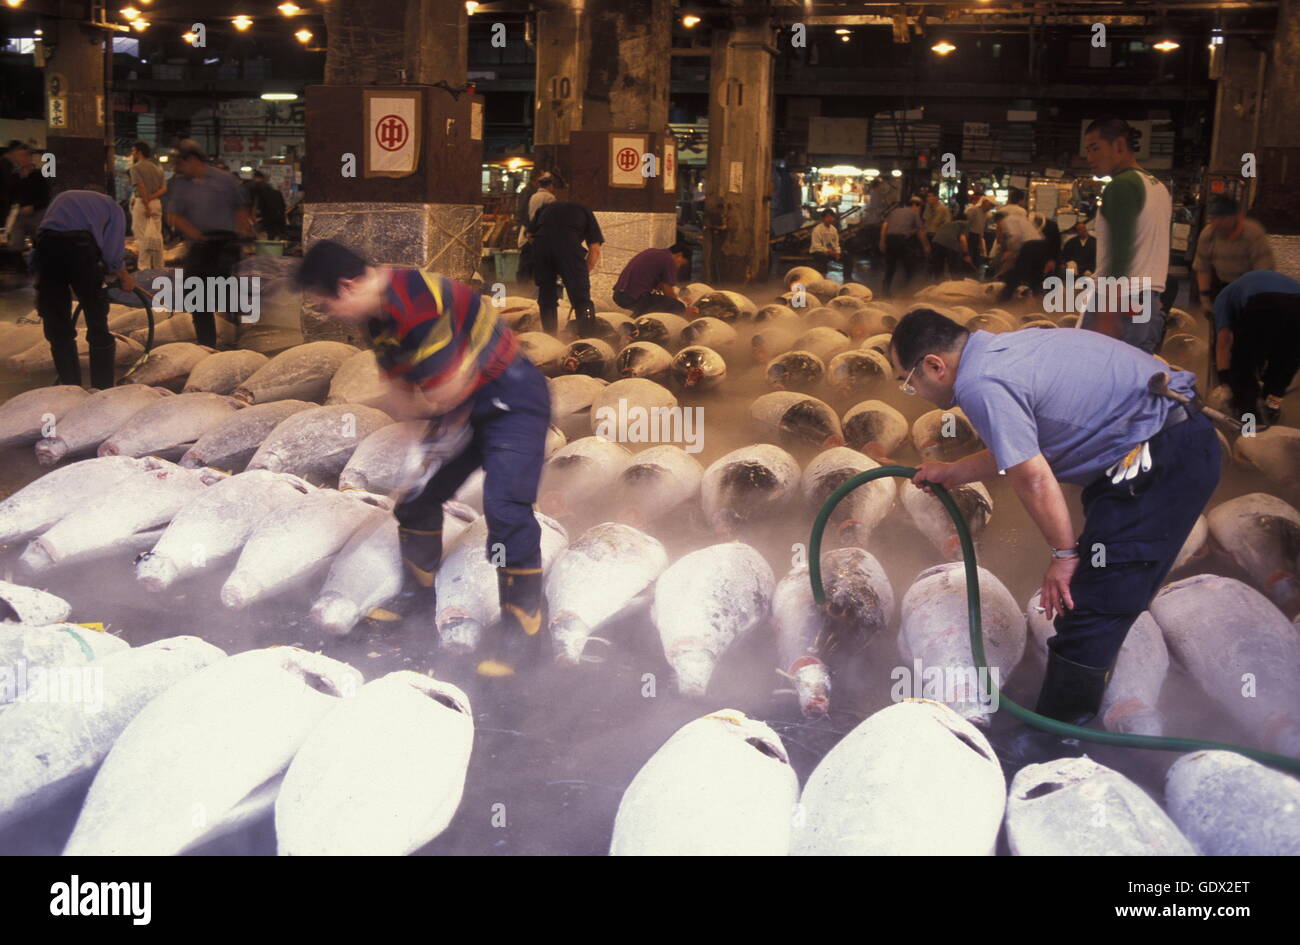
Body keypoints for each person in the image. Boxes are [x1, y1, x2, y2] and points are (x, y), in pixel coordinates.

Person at [889, 308, 1219, 768]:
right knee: (1110, 589)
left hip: (1157, 460)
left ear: (934, 366)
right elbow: (1021, 446)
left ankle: (1054, 741)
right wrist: (953, 471)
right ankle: (1089, 700)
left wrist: (1064, 555)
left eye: (908, 381)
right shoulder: (1002, 351)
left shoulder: (979, 383)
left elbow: (1033, 475)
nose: (914, 393)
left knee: (1092, 601)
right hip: (1165, 445)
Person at [295, 239, 552, 677]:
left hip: (512, 399)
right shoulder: (376, 318)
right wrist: (417, 462)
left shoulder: (414, 304)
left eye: (326, 304)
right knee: (415, 501)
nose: (328, 313)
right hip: (463, 402)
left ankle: (524, 629)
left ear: (347, 285)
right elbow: (402, 390)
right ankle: (418, 598)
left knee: (505, 509)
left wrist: (434, 442)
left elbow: (445, 391)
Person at [1079, 117, 1172, 353]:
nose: (1089, 158)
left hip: (1118, 304)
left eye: (1095, 148)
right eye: (1087, 151)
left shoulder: (1121, 185)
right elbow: (1158, 247)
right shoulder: (1159, 188)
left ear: (1119, 146)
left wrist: (1107, 312)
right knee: (1135, 383)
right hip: (1147, 302)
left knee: (1093, 378)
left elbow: (1121, 250)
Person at [31, 188, 136, 389]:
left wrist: (39, 285)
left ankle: (69, 386)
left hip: (47, 250)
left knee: (56, 322)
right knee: (96, 317)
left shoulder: (62, 197)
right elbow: (113, 250)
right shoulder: (114, 208)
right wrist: (123, 276)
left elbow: (40, 239)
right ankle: (102, 388)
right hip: (81, 251)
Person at [165, 140, 253, 346]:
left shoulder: (223, 180)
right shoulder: (180, 184)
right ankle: (207, 344)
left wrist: (242, 233)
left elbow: (240, 208)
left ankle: (237, 340)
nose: (178, 168)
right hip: (201, 244)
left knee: (229, 295)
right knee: (196, 295)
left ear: (192, 159)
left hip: (226, 244)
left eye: (180, 163)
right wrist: (195, 234)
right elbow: (173, 216)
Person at [1211, 269, 1300, 427]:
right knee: (1284, 365)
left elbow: (1223, 341)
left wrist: (1225, 381)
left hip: (1263, 304)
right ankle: (1272, 408)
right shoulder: (1250, 283)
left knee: (1242, 370)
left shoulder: (1222, 297)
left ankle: (1250, 430)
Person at [527, 189, 603, 337]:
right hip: (569, 249)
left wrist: (545, 253)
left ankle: (549, 336)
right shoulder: (584, 210)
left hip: (541, 248)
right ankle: (587, 338)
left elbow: (530, 235)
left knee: (546, 297)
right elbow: (595, 249)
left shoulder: (545, 208)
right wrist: (583, 273)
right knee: (582, 300)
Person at [1193, 196, 1275, 310]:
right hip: (1222, 284)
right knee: (1219, 321)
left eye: (1223, 218)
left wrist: (1254, 299)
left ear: (1236, 217)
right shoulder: (1208, 234)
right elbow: (1203, 267)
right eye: (1214, 218)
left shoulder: (1253, 233)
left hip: (1250, 286)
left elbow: (1263, 271)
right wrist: (1204, 298)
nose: (1218, 223)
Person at [613, 243, 692, 317]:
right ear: (679, 255)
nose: (678, 267)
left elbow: (658, 284)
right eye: (681, 263)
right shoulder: (669, 259)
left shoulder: (652, 252)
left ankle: (635, 321)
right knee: (677, 306)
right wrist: (683, 308)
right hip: (633, 297)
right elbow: (668, 291)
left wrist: (678, 298)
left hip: (619, 294)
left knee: (654, 304)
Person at [992, 199, 1048, 300]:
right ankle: (1038, 297)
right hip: (1041, 244)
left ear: (998, 220)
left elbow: (1015, 236)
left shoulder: (1007, 221)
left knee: (1017, 271)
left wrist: (1010, 252)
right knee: (1034, 273)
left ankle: (1004, 297)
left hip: (1030, 245)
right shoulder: (1018, 218)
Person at [128, 141, 167, 270]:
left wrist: (146, 203)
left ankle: (144, 267)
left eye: (133, 151)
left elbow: (141, 186)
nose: (132, 154)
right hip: (156, 203)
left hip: (143, 203)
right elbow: (163, 188)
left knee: (142, 236)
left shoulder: (135, 168)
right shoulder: (157, 168)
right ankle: (158, 266)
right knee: (156, 236)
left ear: (139, 152)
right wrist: (151, 198)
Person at [879, 197, 928, 297]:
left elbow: (885, 226)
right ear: (915, 205)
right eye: (919, 207)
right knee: (910, 267)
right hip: (902, 240)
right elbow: (920, 231)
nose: (919, 210)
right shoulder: (914, 214)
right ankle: (906, 292)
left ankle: (885, 292)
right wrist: (926, 246)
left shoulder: (895, 211)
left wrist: (882, 241)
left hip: (890, 239)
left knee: (890, 268)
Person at [930, 210, 974, 279]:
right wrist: (966, 254)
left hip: (936, 242)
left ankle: (938, 285)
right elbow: (962, 239)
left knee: (938, 268)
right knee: (954, 269)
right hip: (950, 244)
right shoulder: (965, 223)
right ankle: (955, 285)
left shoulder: (947, 223)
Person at [249, 170, 287, 240]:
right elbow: (283, 206)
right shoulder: (271, 188)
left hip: (267, 216)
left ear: (254, 177)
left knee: (268, 235)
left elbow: (254, 203)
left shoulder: (254, 186)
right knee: (277, 236)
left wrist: (253, 216)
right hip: (278, 217)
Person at [966, 193, 993, 274]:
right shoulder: (974, 210)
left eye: (992, 206)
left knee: (975, 257)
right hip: (969, 235)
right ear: (984, 202)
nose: (990, 207)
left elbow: (981, 229)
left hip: (977, 236)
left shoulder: (985, 214)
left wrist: (981, 243)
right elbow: (966, 225)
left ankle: (972, 275)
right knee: (969, 256)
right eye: (990, 205)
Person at [809, 209, 841, 276]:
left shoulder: (833, 229)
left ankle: (848, 277)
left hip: (831, 252)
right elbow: (816, 246)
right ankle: (822, 276)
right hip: (817, 252)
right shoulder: (817, 229)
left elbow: (836, 243)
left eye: (831, 217)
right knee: (823, 256)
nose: (830, 219)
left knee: (847, 256)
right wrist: (829, 252)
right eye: (827, 217)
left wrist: (837, 252)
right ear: (823, 218)